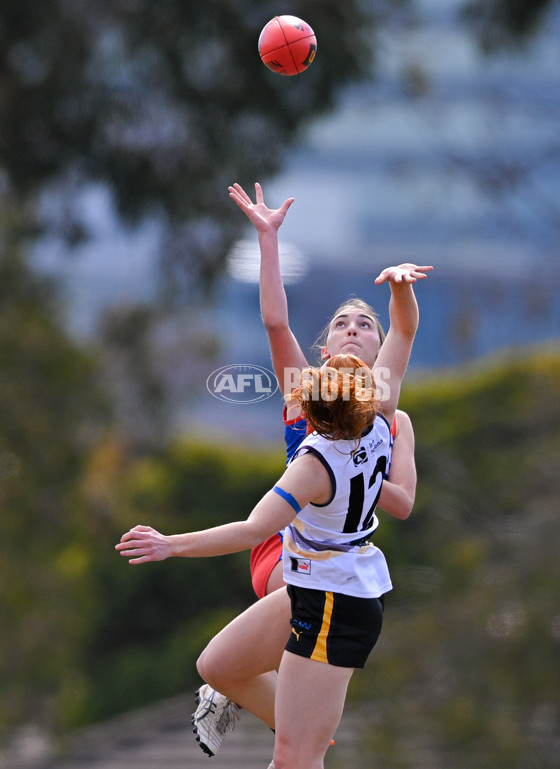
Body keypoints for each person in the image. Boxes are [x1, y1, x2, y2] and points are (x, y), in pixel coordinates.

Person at [187, 182, 431, 757]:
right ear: (325, 353)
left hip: (338, 553)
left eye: (363, 325)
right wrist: (267, 239)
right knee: (302, 587)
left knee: (246, 686)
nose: (352, 328)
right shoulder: (306, 395)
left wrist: (399, 288)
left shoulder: (387, 413)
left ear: (374, 356)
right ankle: (298, 723)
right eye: (342, 324)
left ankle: (295, 727)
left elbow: (406, 330)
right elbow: (276, 322)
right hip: (285, 540)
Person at [116, 349, 402, 769]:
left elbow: (252, 531)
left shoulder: (313, 463)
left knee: (292, 761)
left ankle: (306, 743)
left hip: (333, 603)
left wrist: (170, 544)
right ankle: (307, 734)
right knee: (218, 665)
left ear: (311, 404)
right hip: (327, 586)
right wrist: (400, 297)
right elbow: (399, 346)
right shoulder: (379, 426)